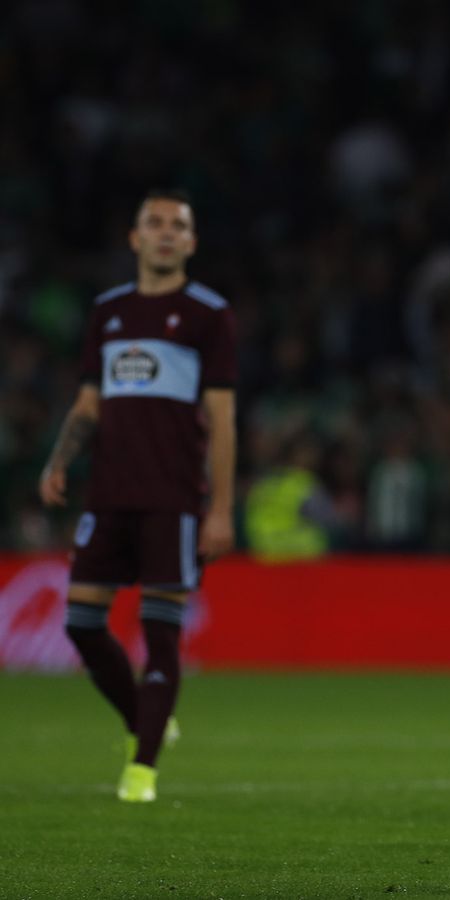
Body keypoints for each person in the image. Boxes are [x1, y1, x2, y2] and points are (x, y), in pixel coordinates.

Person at [38, 189, 237, 803]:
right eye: (154, 223)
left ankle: (142, 768)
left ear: (192, 242)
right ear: (134, 238)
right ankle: (142, 719)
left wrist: (222, 507)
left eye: (178, 225)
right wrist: (58, 460)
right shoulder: (108, 311)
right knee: (81, 622)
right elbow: (89, 404)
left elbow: (223, 418)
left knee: (160, 631)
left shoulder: (207, 314)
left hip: (172, 498)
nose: (166, 233)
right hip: (108, 494)